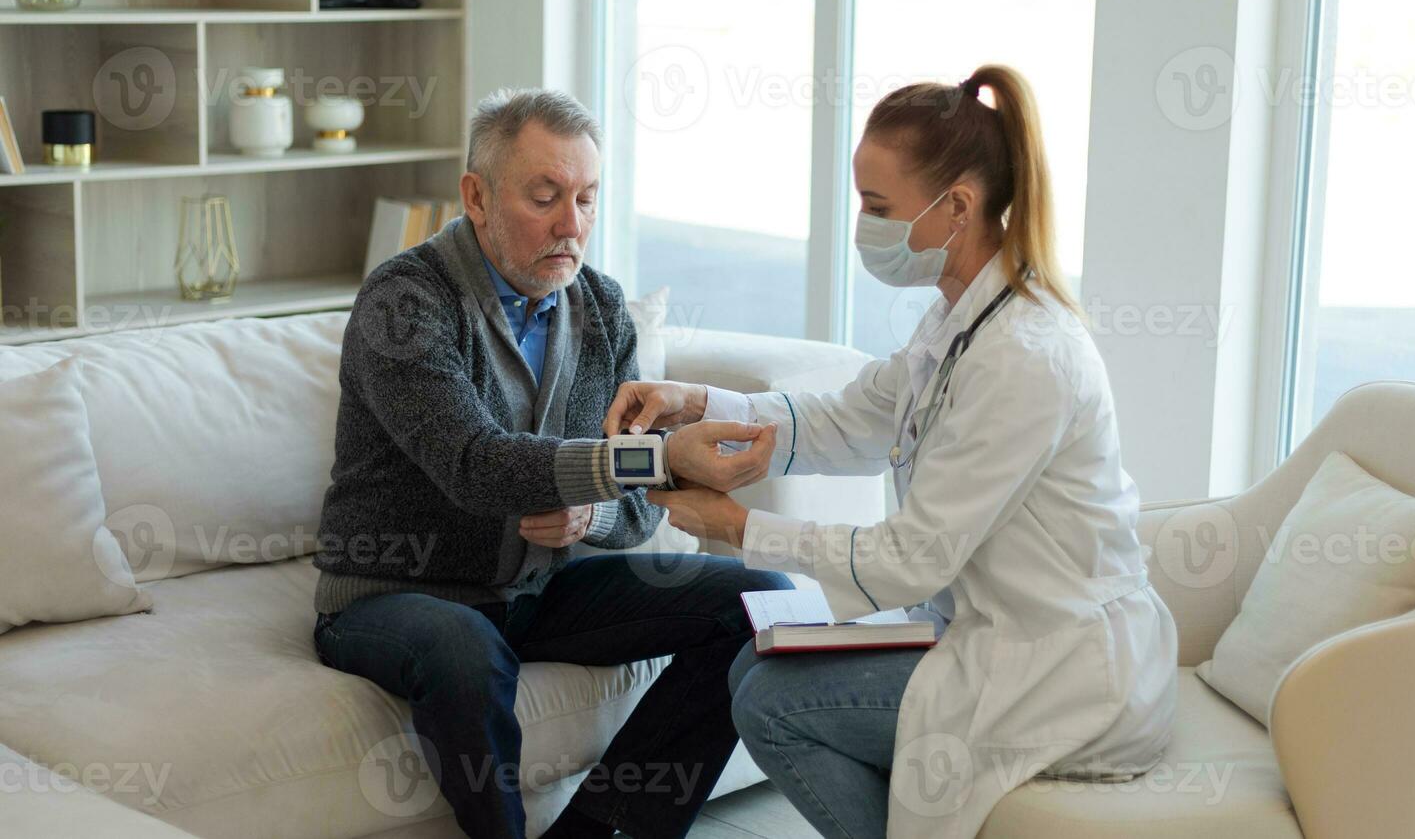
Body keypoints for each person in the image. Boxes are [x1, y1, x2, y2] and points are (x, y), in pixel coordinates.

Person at [605, 65, 1179, 839]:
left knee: (772, 699)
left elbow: (911, 560)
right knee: (757, 669)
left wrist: (739, 526)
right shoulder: (961, 321)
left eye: (878, 207)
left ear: (958, 208)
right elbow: (854, 415)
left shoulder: (1024, 355)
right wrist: (696, 400)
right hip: (993, 635)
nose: (862, 227)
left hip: (1062, 672)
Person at [311, 89, 793, 839]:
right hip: (396, 592)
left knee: (763, 599)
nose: (573, 225)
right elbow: (473, 463)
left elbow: (641, 501)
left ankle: (602, 830)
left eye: (587, 199)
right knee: (461, 646)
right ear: (477, 196)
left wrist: (593, 512)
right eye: (545, 197)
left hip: (538, 591)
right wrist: (641, 459)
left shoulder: (600, 307)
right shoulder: (405, 302)